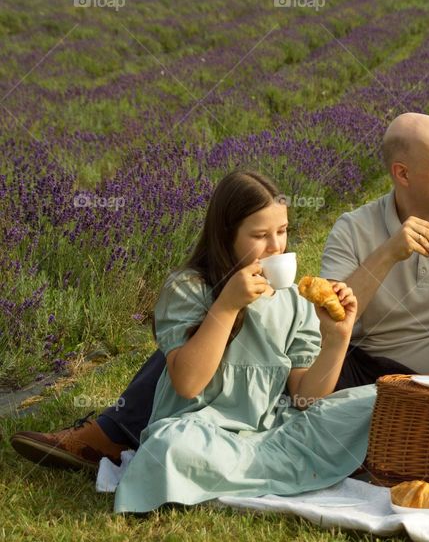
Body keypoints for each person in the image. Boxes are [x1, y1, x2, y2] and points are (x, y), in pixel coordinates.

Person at [11, 113, 429, 470]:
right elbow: (331, 310)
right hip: (362, 361)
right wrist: (388, 254)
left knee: (239, 330)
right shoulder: (356, 228)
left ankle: (116, 431)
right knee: (224, 320)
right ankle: (118, 431)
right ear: (402, 173)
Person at [111, 170, 375, 513]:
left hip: (274, 433)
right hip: (201, 432)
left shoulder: (293, 300)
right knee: (169, 448)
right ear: (227, 235)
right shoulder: (189, 289)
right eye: (260, 235)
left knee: (377, 400)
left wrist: (338, 338)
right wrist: (227, 305)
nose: (276, 246)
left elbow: (307, 397)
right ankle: (285, 473)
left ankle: (238, 475)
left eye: (282, 232)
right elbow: (188, 384)